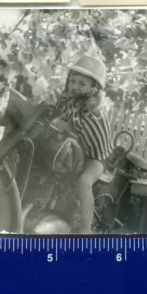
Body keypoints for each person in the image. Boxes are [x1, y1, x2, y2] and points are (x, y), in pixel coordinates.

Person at [54, 55, 113, 234]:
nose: (75, 86)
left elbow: (95, 107)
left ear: (94, 89)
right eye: (73, 81)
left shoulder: (92, 105)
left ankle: (86, 230)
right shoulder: (70, 104)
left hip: (99, 158)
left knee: (84, 182)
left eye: (82, 84)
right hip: (82, 151)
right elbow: (59, 121)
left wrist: (95, 101)